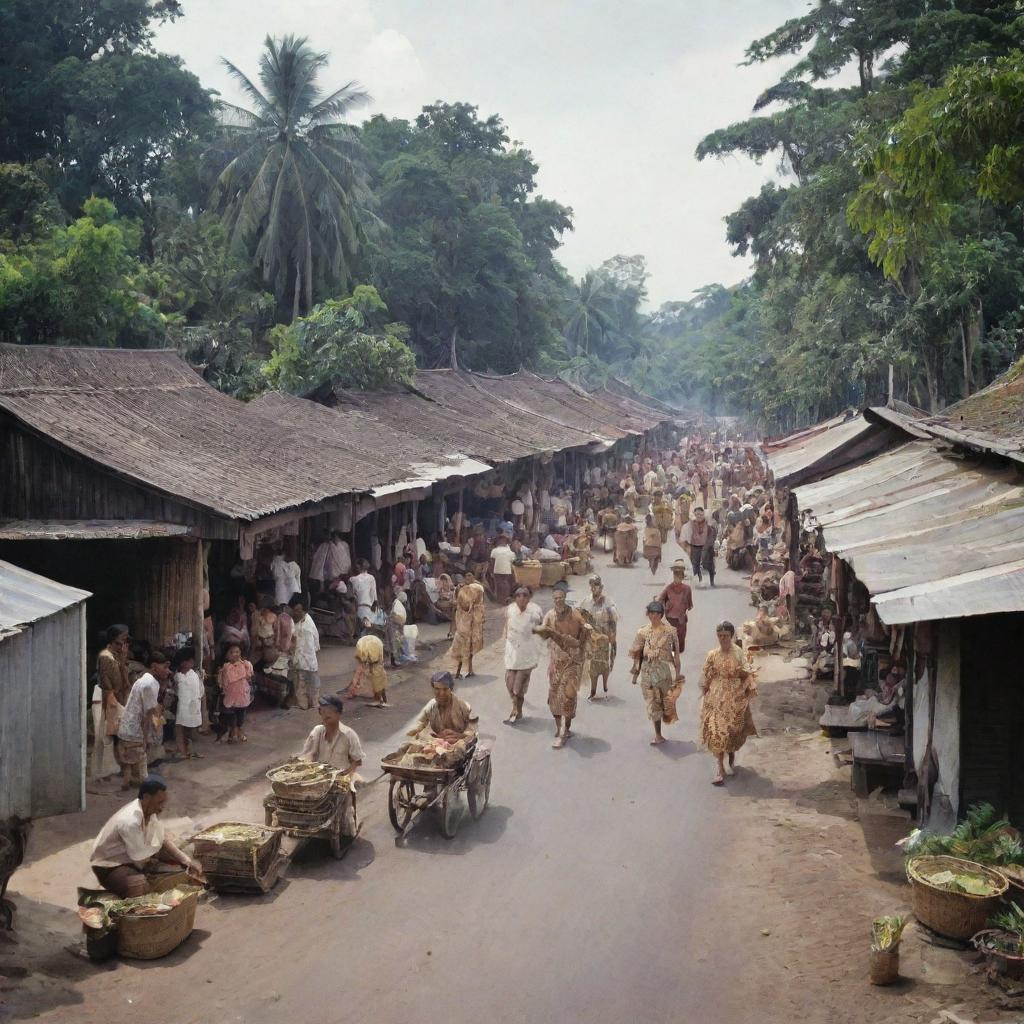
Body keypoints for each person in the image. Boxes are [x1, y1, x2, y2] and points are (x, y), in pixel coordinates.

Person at [90, 776, 204, 897]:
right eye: (159, 803)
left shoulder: (149, 811)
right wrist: (156, 864)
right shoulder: (130, 821)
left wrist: (186, 861)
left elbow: (162, 839)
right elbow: (138, 857)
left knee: (175, 852)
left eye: (163, 803)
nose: (161, 808)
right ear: (146, 797)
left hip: (132, 857)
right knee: (140, 887)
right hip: (109, 866)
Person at [700, 621, 757, 785]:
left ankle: (730, 758)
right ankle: (719, 768)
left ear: (731, 636)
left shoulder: (739, 653)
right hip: (716, 696)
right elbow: (707, 675)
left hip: (734, 697)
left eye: (725, 636)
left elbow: (747, 673)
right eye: (720, 636)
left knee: (732, 730)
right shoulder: (712, 654)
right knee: (716, 729)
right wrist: (705, 692)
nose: (722, 639)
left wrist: (746, 681)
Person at [297, 695, 364, 835]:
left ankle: (349, 831)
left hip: (340, 779)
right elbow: (309, 753)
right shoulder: (317, 731)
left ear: (338, 714)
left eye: (329, 711)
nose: (324, 714)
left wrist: (347, 775)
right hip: (318, 777)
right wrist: (305, 764)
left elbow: (357, 761)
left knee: (346, 815)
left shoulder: (349, 735)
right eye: (322, 710)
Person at [535, 580, 588, 749]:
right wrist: (543, 630)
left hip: (572, 662)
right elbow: (543, 634)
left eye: (561, 598)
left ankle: (565, 730)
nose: (558, 600)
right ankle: (560, 728)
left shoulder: (575, 614)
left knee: (569, 695)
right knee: (555, 697)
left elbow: (585, 631)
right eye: (555, 598)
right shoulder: (550, 615)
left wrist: (580, 644)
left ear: (565, 598)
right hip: (556, 662)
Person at [629, 601, 683, 746]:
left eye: (656, 613)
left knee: (664, 702)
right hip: (648, 672)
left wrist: (677, 674)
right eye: (651, 613)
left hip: (664, 674)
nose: (653, 616)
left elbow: (676, 654)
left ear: (661, 615)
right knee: (652, 703)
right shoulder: (643, 632)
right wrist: (635, 673)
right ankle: (658, 735)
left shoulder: (671, 632)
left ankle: (664, 718)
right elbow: (637, 654)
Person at [117, 651, 167, 789]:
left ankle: (126, 782)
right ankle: (146, 783)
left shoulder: (141, 680)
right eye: (164, 667)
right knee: (142, 757)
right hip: (135, 730)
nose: (167, 671)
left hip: (125, 728)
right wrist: (146, 737)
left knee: (128, 759)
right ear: (154, 666)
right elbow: (149, 714)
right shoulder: (149, 684)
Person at [93, 624, 130, 781]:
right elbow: (109, 685)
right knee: (104, 737)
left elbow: (124, 682)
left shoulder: (116, 656)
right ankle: (101, 773)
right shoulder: (106, 657)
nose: (123, 645)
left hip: (113, 698)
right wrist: (112, 706)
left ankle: (112, 770)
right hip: (106, 698)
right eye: (121, 642)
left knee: (114, 736)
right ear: (114, 641)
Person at [502, 585, 543, 724]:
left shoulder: (535, 611)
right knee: (509, 682)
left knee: (517, 687)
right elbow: (507, 626)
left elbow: (540, 627)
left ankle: (515, 709)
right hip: (512, 653)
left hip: (527, 653)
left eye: (525, 595)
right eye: (519, 595)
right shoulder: (510, 609)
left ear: (529, 597)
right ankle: (517, 708)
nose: (521, 598)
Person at [408, 671, 478, 742]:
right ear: (433, 689)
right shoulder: (431, 706)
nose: (441, 693)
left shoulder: (464, 707)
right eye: (437, 689)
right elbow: (420, 723)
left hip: (462, 744)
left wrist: (461, 736)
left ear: (451, 689)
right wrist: (416, 731)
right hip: (439, 744)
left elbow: (474, 731)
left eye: (445, 689)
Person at [578, 575, 618, 697]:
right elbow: (580, 616)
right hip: (591, 638)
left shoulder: (608, 602)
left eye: (596, 586)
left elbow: (613, 621)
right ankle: (593, 690)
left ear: (601, 587)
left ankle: (605, 684)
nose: (593, 588)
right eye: (592, 586)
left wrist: (613, 636)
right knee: (592, 665)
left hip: (604, 638)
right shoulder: (586, 601)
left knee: (604, 664)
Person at [449, 571, 486, 678]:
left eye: (469, 575)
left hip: (473, 621)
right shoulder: (461, 588)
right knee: (462, 645)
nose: (467, 577)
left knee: (471, 647)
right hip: (463, 621)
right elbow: (458, 603)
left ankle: (470, 670)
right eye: (466, 575)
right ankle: (458, 672)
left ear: (473, 576)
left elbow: (480, 603)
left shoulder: (478, 587)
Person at [171, 648, 205, 760]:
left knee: (190, 731)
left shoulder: (195, 675)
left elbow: (201, 692)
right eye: (190, 660)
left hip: (194, 707)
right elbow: (174, 693)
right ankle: (182, 751)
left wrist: (203, 710)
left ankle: (189, 750)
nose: (192, 662)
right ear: (183, 662)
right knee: (180, 729)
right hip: (182, 708)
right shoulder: (177, 677)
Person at [289, 596, 321, 710]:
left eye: (299, 610)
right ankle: (303, 704)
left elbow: (316, 640)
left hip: (309, 657)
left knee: (312, 682)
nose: (296, 612)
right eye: (295, 610)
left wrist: (315, 654)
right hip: (299, 658)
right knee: (300, 683)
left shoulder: (309, 623)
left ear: (304, 611)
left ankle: (314, 703)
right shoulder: (295, 623)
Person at [217, 642, 253, 743]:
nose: (235, 654)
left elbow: (249, 677)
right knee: (232, 716)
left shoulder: (246, 664)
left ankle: (238, 731)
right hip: (231, 695)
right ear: (227, 655)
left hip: (242, 695)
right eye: (232, 652)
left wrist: (244, 666)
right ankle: (233, 732)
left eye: (237, 652)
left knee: (241, 716)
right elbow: (230, 678)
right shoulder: (226, 667)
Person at [657, 560, 694, 654]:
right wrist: (664, 607)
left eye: (679, 575)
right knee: (669, 638)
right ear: (673, 576)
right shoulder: (668, 588)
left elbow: (689, 604)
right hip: (670, 618)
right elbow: (660, 599)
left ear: (682, 577)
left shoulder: (687, 589)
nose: (677, 577)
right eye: (675, 575)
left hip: (681, 618)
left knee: (680, 640)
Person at [349, 632, 389, 707]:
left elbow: (373, 660)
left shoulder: (368, 647)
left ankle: (378, 700)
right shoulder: (365, 645)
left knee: (377, 682)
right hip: (375, 659)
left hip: (376, 663)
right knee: (379, 682)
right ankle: (383, 699)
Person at [682, 506, 710, 583]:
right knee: (694, 561)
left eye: (700, 514)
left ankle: (698, 576)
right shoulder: (692, 523)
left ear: (703, 514)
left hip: (702, 545)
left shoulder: (706, 523)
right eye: (697, 514)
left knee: (698, 562)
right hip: (694, 544)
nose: (698, 516)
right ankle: (698, 577)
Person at [350, 559, 378, 628]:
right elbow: (374, 595)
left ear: (358, 567)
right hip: (369, 608)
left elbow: (353, 595)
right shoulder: (371, 578)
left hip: (359, 608)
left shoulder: (352, 579)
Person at [489, 533, 515, 604]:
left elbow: (492, 562)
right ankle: (505, 598)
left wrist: (491, 571)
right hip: (507, 570)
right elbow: (512, 561)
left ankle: (500, 599)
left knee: (498, 584)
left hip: (497, 569)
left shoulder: (494, 550)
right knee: (505, 583)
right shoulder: (510, 551)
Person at [702, 514, 719, 588]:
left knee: (710, 566)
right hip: (705, 548)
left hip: (709, 548)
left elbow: (714, 538)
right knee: (707, 565)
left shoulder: (711, 529)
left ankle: (712, 581)